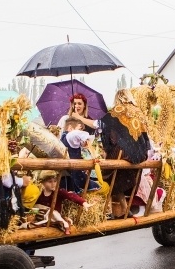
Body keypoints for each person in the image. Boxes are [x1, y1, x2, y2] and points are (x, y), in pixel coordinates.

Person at [100, 89, 152, 218]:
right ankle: (124, 208)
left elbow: (109, 136)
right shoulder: (138, 112)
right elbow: (146, 137)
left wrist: (107, 149)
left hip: (123, 153)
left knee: (108, 175)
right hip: (139, 154)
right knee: (120, 179)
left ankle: (111, 211)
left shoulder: (115, 112)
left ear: (117, 98)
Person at [23, 170, 92, 234]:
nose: (53, 184)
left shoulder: (59, 192)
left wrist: (83, 203)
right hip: (41, 216)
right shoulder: (39, 193)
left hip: (54, 217)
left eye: (55, 181)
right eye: (50, 182)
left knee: (54, 213)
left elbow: (70, 195)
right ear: (42, 182)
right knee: (35, 209)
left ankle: (62, 223)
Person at [59, 115, 98, 194]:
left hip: (71, 172)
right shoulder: (69, 136)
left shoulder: (69, 138)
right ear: (70, 128)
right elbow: (75, 134)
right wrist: (87, 138)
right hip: (72, 174)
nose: (81, 131)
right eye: (80, 129)